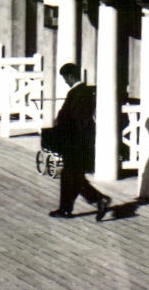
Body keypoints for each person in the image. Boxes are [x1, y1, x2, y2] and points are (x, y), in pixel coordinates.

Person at [48, 64, 112, 220]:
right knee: (74, 177)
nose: (65, 82)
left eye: (65, 79)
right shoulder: (84, 92)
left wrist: (62, 133)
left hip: (75, 143)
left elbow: (76, 121)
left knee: (71, 176)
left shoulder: (78, 93)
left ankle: (91, 201)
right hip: (79, 142)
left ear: (70, 76)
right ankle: (83, 203)